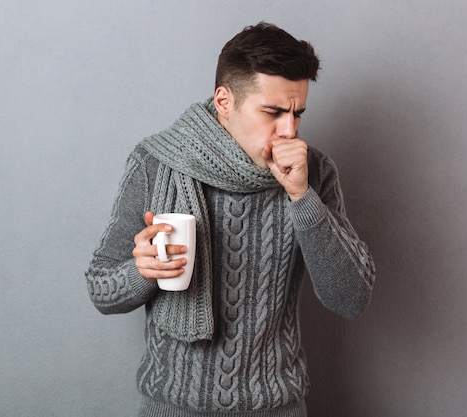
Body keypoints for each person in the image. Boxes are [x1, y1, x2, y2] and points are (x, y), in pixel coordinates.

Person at [85, 22, 375, 417]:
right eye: (272, 112)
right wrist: (144, 271)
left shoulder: (314, 172)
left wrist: (301, 196)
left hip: (277, 406)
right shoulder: (156, 164)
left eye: (298, 113)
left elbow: (351, 298)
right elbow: (101, 289)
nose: (289, 130)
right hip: (173, 407)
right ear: (224, 101)